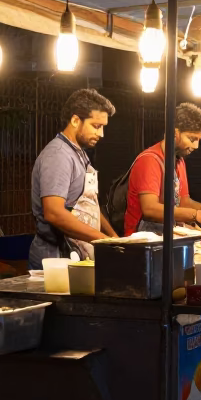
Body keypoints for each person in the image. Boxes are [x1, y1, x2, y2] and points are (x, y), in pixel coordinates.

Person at [29, 89, 119, 267]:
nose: (101, 134)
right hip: (55, 258)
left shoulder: (79, 153)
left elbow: (88, 205)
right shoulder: (58, 155)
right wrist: (102, 239)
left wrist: (113, 237)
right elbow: (54, 213)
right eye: (96, 126)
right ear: (75, 120)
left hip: (76, 254)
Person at [124, 102, 201, 234]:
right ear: (175, 133)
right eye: (192, 138)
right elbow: (150, 209)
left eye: (199, 140)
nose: (196, 146)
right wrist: (197, 215)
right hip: (142, 241)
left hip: (167, 235)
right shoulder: (149, 160)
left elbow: (183, 201)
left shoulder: (178, 160)